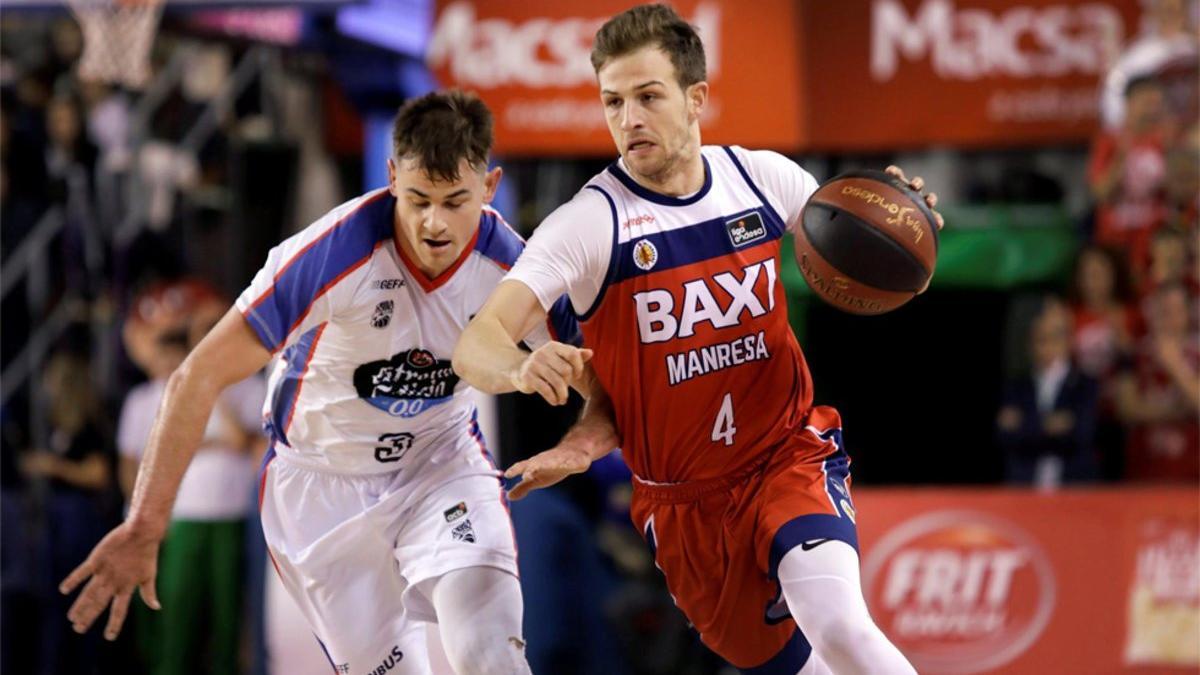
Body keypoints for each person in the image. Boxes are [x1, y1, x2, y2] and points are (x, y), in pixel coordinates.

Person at [453, 5, 942, 673]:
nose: (629, 118)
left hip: (785, 453)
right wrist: (519, 365)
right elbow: (475, 341)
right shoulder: (589, 225)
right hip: (686, 507)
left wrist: (898, 215)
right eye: (613, 101)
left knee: (843, 628)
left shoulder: (761, 179)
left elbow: (854, 232)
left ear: (696, 99)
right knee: (807, 666)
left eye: (648, 97)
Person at [60, 90, 587, 675]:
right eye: (417, 200)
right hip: (319, 486)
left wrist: (586, 442)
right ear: (391, 177)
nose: (433, 223)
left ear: (489, 187)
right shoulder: (332, 253)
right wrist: (145, 524)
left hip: (439, 464)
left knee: (491, 653)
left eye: (454, 201)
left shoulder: (515, 264)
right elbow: (196, 376)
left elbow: (605, 376)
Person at [117, 278, 265, 675]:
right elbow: (140, 456)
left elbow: (238, 441)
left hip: (232, 515)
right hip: (183, 515)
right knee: (174, 610)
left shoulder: (246, 386)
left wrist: (212, 379)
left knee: (227, 616)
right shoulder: (162, 392)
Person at [996, 297, 1101, 488]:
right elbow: (1006, 436)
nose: (1047, 347)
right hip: (1024, 490)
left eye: (1054, 337)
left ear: (1068, 340)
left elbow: (1081, 435)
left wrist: (1026, 422)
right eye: (1040, 339)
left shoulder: (1085, 385)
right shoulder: (1017, 386)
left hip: (1073, 490)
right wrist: (1052, 424)